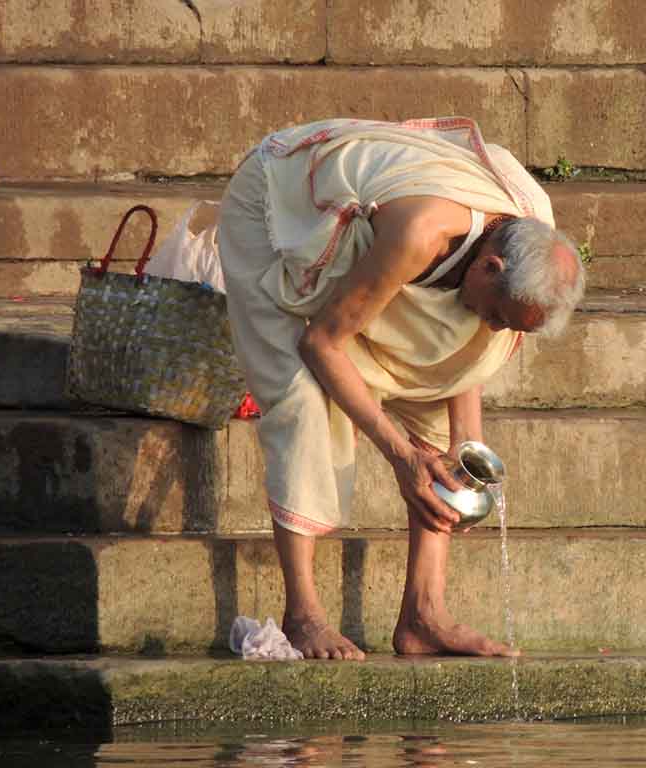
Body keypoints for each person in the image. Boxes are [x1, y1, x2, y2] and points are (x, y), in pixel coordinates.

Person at [218, 117, 585, 660]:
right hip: (280, 209)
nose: (495, 329)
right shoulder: (421, 234)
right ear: (489, 267)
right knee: (301, 396)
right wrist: (401, 455)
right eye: (499, 316)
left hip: (382, 243)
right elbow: (322, 343)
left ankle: (423, 616)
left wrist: (465, 451)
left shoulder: (531, 227)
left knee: (439, 429)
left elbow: (467, 354)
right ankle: (303, 616)